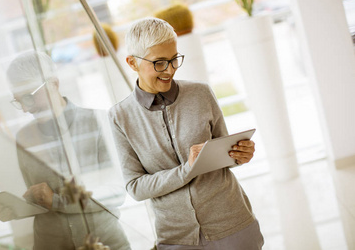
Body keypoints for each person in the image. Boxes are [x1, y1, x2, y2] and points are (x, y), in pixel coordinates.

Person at [108, 17, 264, 249]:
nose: (169, 70)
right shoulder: (120, 116)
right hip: (176, 239)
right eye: (159, 63)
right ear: (132, 63)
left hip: (233, 225)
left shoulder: (201, 93)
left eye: (174, 59)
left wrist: (240, 155)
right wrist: (186, 171)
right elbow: (136, 187)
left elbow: (225, 153)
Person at [0, 51, 131, 250]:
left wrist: (58, 201)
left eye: (29, 98)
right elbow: (37, 197)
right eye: (18, 101)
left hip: (105, 242)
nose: (25, 109)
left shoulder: (97, 122)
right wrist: (15, 209)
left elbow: (116, 193)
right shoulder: (23, 138)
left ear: (54, 84)